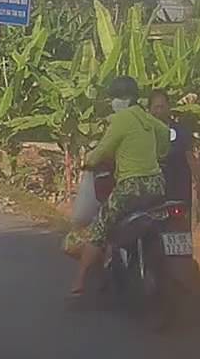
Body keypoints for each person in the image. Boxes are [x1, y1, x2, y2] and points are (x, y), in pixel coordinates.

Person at [65, 75, 170, 299]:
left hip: (130, 188)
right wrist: (158, 153)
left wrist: (88, 161)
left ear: (121, 99)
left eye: (113, 98)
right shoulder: (147, 118)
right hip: (156, 186)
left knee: (99, 228)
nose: (112, 103)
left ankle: (79, 281)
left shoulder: (121, 120)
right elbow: (164, 136)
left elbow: (103, 150)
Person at [150, 89, 199, 213]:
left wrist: (198, 184)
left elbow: (190, 157)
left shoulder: (181, 131)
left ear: (168, 108)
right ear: (149, 110)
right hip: (154, 192)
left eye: (162, 107)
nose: (159, 111)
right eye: (156, 107)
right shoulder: (144, 134)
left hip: (180, 189)